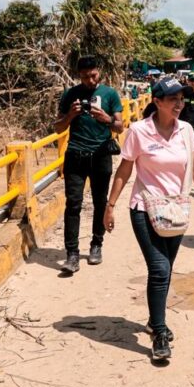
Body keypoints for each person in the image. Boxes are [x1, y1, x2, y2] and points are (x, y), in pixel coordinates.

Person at [104, 77, 194, 361]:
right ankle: (159, 332)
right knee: (159, 268)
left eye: (181, 99)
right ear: (157, 102)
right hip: (144, 208)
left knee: (165, 269)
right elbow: (124, 170)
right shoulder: (139, 131)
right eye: (173, 99)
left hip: (176, 209)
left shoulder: (186, 130)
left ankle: (154, 319)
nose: (179, 104)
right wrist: (110, 205)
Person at [53, 56, 124, 273]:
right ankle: (72, 254)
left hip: (101, 155)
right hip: (75, 155)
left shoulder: (110, 94)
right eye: (85, 77)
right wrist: (70, 115)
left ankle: (96, 244)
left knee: (100, 202)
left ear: (99, 71)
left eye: (93, 75)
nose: (90, 81)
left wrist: (106, 118)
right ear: (79, 76)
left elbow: (120, 127)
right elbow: (57, 128)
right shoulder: (70, 94)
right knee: (73, 204)